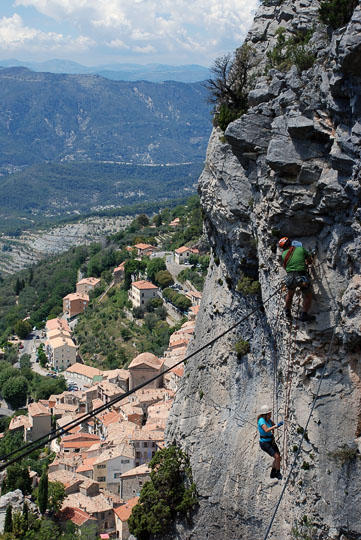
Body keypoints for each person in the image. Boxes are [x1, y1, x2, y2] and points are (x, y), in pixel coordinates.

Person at [278, 237, 315, 322]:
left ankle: (287, 311)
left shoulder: (284, 254)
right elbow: (309, 261)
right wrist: (306, 262)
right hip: (301, 277)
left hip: (290, 278)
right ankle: (304, 314)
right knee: (308, 295)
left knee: (290, 294)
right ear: (290, 242)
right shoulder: (300, 249)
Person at [257, 405, 283, 479]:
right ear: (265, 414)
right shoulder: (261, 420)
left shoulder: (268, 419)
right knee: (277, 457)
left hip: (270, 441)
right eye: (269, 414)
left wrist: (278, 425)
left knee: (278, 458)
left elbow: (274, 425)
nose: (270, 415)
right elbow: (266, 430)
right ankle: (278, 473)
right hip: (264, 443)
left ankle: (273, 473)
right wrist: (275, 427)